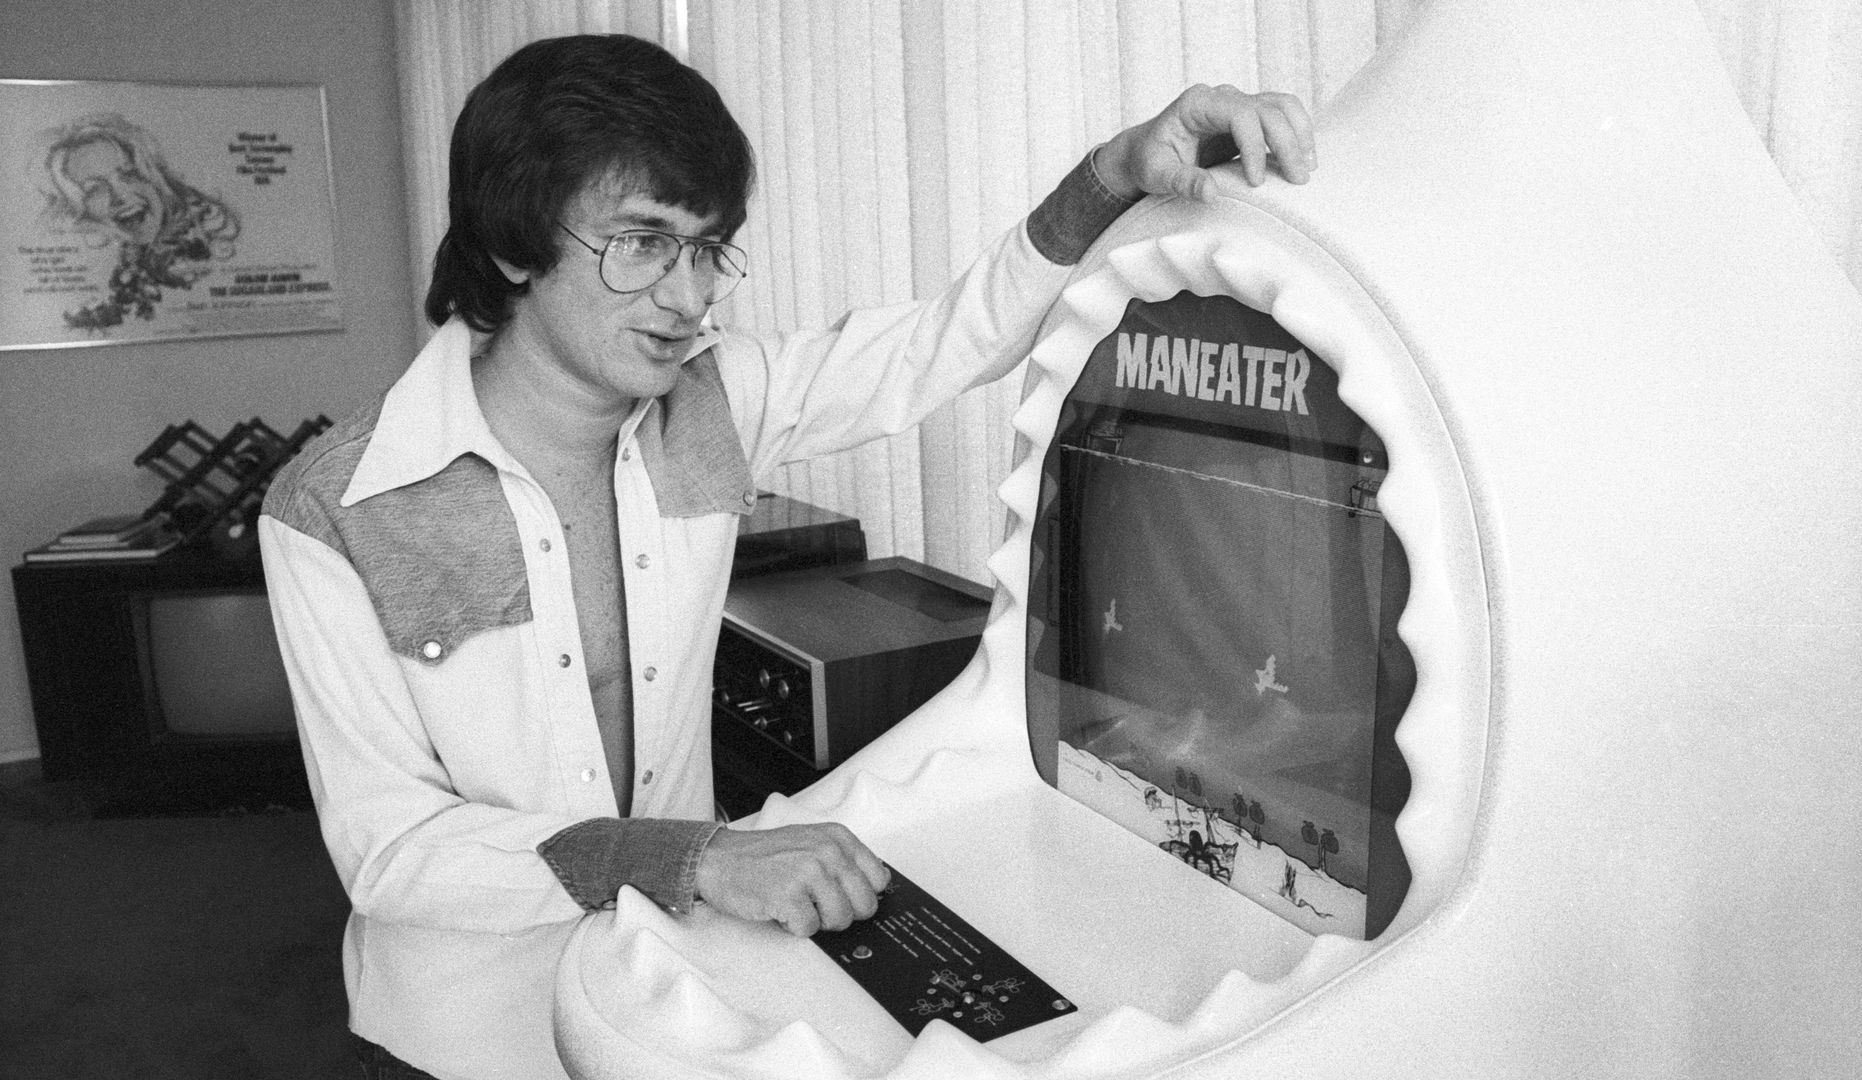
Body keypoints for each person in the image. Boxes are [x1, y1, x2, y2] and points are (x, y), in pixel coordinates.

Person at [259, 33, 1315, 1080]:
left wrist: (1116, 172)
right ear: (511, 243)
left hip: (676, 998)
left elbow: (948, 341)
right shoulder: (334, 509)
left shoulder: (719, 399)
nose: (689, 298)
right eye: (640, 243)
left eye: (709, 247)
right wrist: (696, 857)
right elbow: (393, 855)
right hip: (466, 1039)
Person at [41, 114, 240, 328]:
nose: (121, 196)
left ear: (156, 176)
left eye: (129, 174)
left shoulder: (211, 242)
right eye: (94, 189)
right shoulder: (123, 263)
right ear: (80, 209)